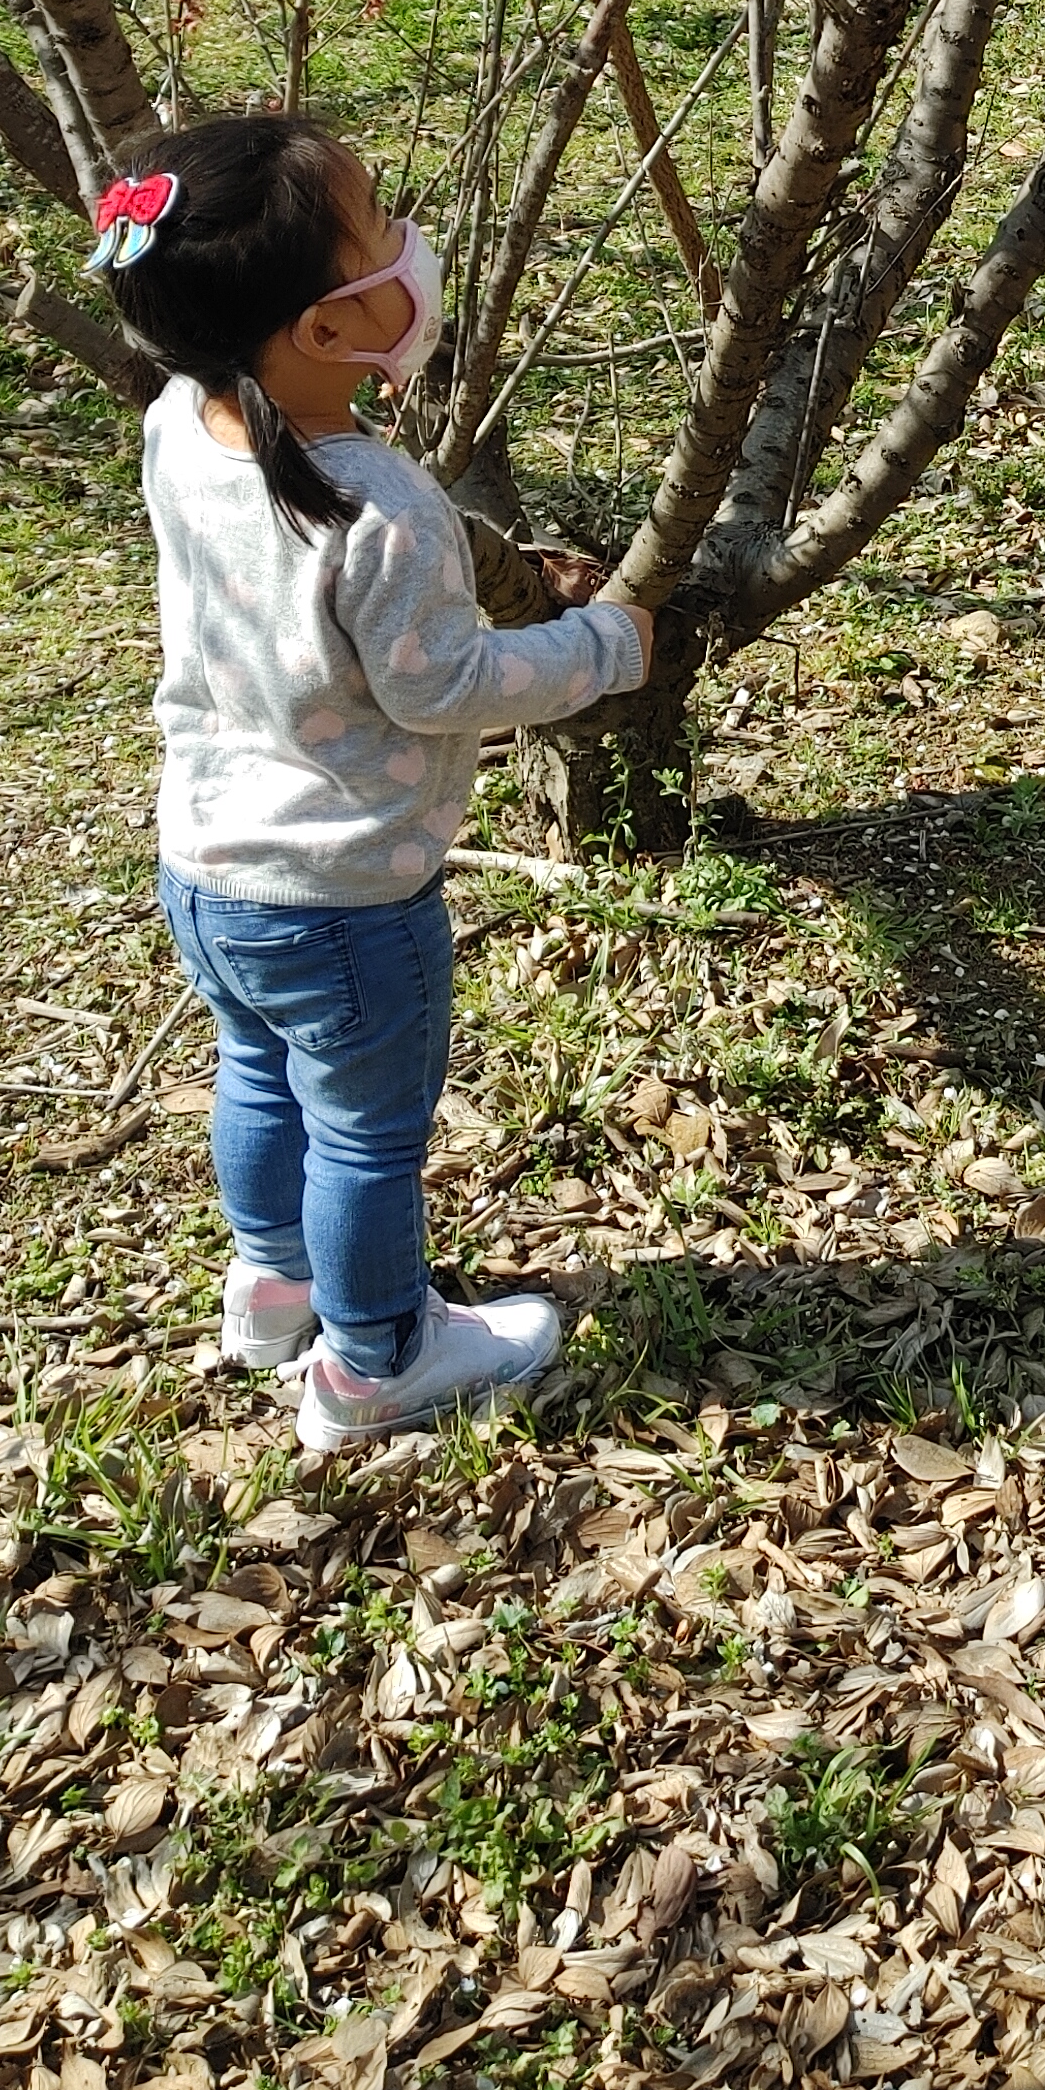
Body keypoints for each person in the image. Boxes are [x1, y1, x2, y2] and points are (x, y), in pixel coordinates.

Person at [92, 114, 653, 1451]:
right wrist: (597, 649)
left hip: (210, 871)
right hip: (342, 897)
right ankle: (375, 1361)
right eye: (380, 232)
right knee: (367, 1129)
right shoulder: (376, 509)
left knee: (258, 1072)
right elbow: (442, 685)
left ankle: (273, 1287)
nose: (411, 247)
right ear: (328, 331)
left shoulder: (183, 419)